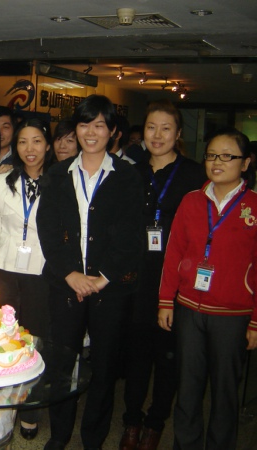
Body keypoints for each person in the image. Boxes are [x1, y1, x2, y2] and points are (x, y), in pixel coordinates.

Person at [37, 94, 144, 450]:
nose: (91, 132)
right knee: (62, 363)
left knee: (104, 365)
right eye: (85, 124)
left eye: (100, 124)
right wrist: (70, 274)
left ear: (113, 131)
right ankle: (59, 435)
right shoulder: (58, 174)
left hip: (109, 289)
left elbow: (131, 234)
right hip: (65, 285)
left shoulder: (127, 176)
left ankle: (93, 438)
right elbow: (48, 230)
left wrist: (102, 277)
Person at [158, 127, 257, 449]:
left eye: (227, 156)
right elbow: (175, 252)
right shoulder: (191, 201)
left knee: (225, 392)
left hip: (233, 315)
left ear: (245, 163)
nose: (217, 162)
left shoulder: (254, 207)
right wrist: (166, 301)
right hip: (188, 308)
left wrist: (256, 321)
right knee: (187, 387)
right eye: (212, 155)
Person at [119, 100, 206, 450]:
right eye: (151, 127)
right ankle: (131, 421)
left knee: (168, 356)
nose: (157, 135)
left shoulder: (194, 175)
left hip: (175, 279)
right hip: (136, 278)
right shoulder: (131, 171)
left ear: (178, 133)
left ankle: (156, 422)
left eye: (166, 128)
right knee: (136, 353)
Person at [0, 118, 55, 440]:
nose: (29, 148)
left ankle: (30, 409)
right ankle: (0, 405)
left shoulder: (59, 183)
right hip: (4, 269)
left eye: (36, 141)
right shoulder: (2, 181)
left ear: (47, 145)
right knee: (2, 339)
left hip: (41, 272)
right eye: (23, 141)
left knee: (34, 342)